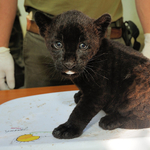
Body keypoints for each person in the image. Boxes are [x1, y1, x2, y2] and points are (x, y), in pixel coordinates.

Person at [0, 0, 145, 90]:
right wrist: (2, 48)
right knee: (38, 117)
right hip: (45, 42)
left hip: (103, 41)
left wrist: (149, 36)